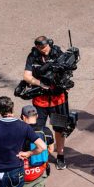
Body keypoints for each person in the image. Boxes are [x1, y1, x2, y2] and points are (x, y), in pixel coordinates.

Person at [0, 105, 54, 187]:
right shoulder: (46, 131)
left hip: (22, 173)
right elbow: (51, 150)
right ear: (36, 116)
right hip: (39, 172)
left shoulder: (17, 132)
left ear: (23, 117)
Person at [23, 35, 70, 170]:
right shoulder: (32, 56)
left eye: (44, 47)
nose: (43, 50)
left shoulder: (57, 53)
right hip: (40, 101)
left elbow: (67, 71)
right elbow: (26, 76)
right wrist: (40, 83)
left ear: (49, 44)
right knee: (37, 130)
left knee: (59, 129)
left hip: (58, 101)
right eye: (40, 47)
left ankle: (60, 155)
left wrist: (64, 82)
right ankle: (41, 158)